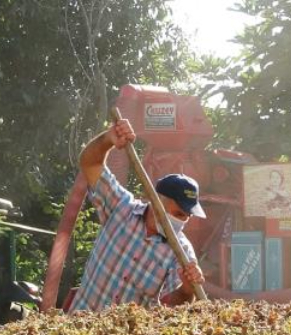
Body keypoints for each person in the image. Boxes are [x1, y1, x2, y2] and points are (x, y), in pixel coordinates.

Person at [68, 115, 206, 313]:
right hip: (75, 329)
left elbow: (173, 308)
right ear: (157, 200)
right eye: (178, 212)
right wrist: (108, 140)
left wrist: (187, 290)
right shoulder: (121, 207)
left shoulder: (181, 252)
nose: (182, 220)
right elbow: (90, 164)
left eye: (186, 216)